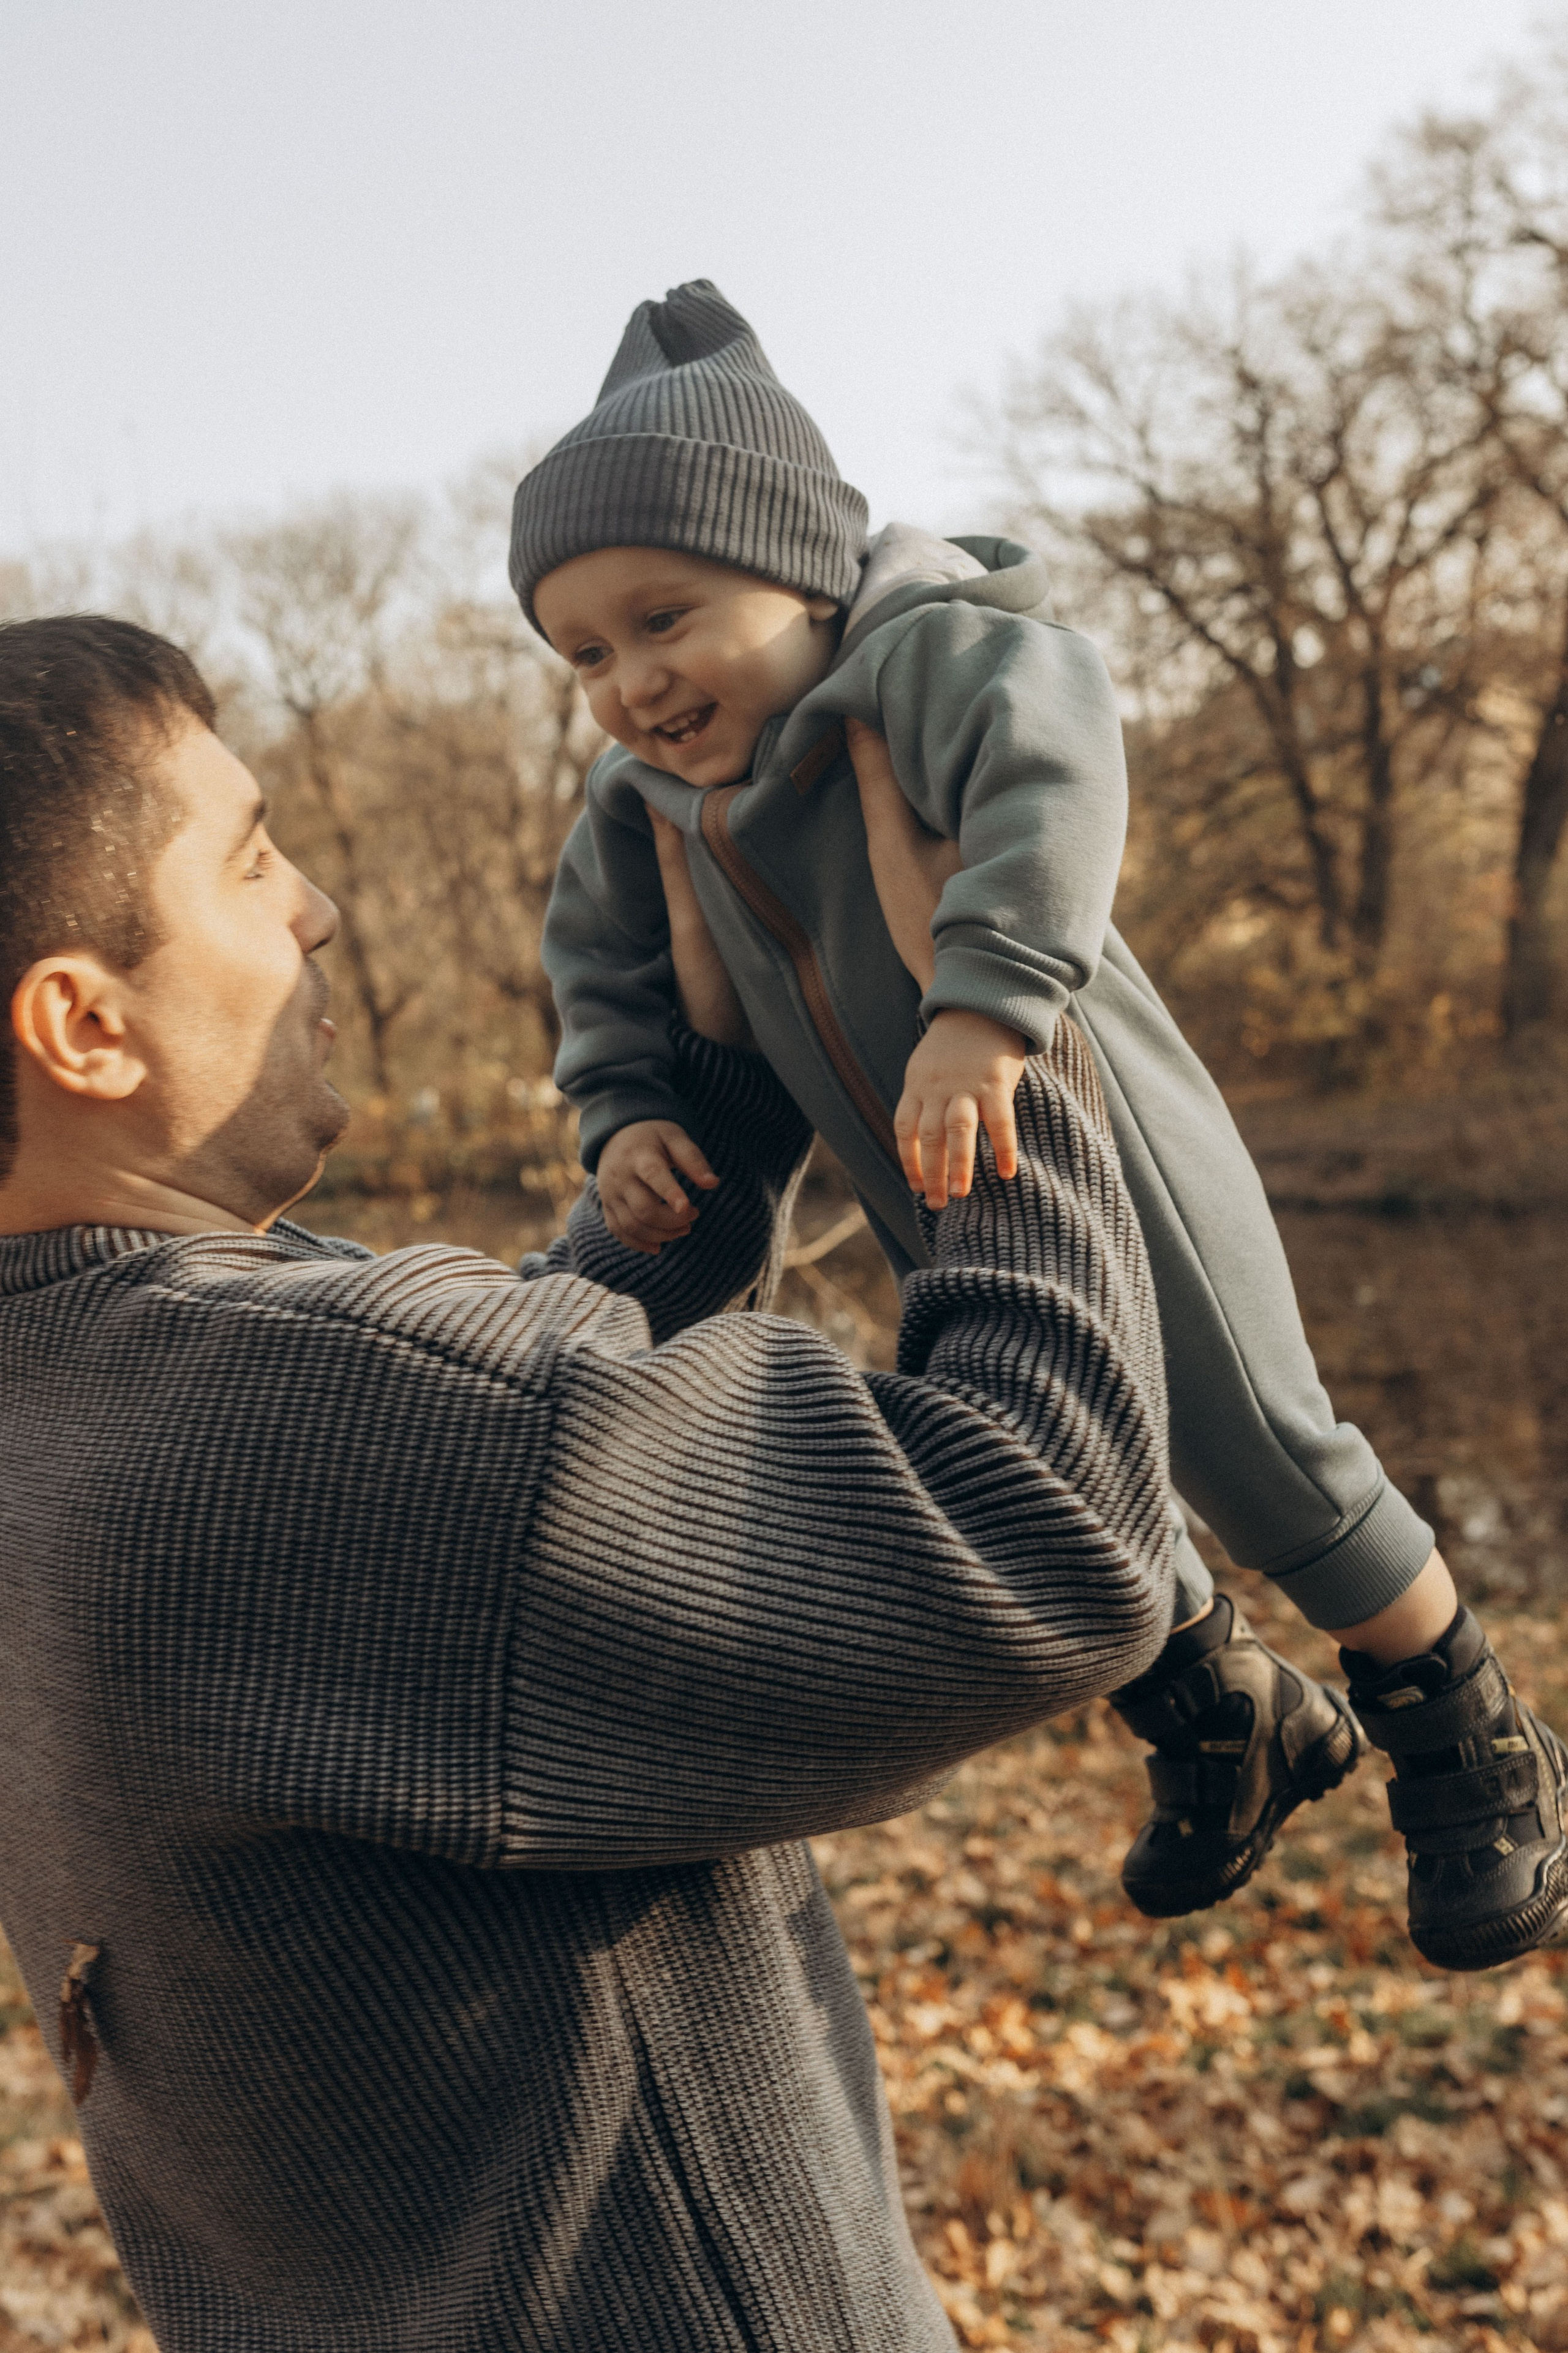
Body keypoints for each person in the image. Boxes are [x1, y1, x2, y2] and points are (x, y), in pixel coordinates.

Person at [0, 613, 1174, 2352]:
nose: (315, 904)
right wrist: (992, 1011)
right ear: (85, 1025)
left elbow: (475, 1520)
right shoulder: (303, 1418)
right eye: (249, 863)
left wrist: (709, 1104)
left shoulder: (76, 1394)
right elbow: (1050, 1533)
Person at [513, 278, 1568, 1973]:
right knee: (1037, 1476)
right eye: (584, 653)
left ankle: (1473, 1739)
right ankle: (1228, 1710)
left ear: (802, 567)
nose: (633, 681)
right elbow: (603, 973)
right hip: (920, 1185)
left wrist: (988, 1004)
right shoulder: (642, 807)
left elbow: (1054, 773)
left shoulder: (925, 657)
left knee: (1259, 1446)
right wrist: (622, 1110)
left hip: (1100, 1133)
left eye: (667, 616)